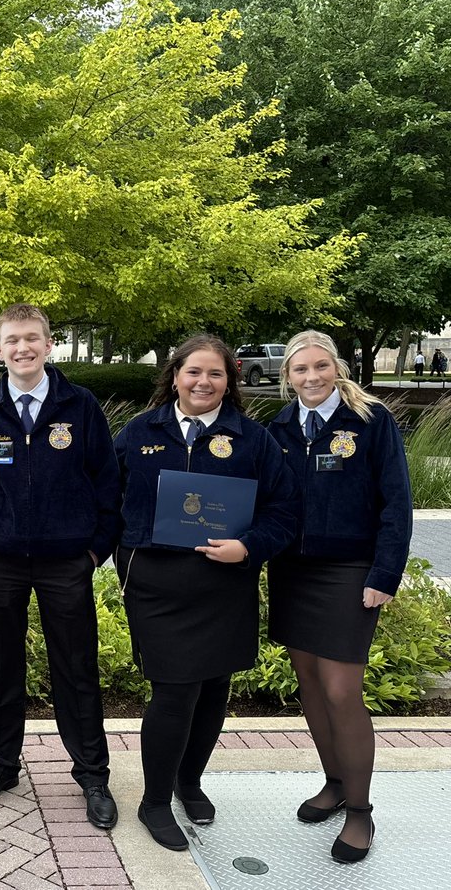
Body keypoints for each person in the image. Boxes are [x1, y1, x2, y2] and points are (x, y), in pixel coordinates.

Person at [111, 334, 299, 852]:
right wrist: (118, 554)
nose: (203, 382)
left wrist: (249, 547)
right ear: (174, 376)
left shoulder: (253, 440)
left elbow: (284, 511)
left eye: (215, 374)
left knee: (215, 686)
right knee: (175, 689)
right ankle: (153, 801)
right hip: (157, 583)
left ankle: (188, 781)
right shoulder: (138, 432)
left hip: (225, 581)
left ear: (230, 381)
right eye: (193, 372)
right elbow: (105, 498)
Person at [0, 303, 119, 830]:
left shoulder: (81, 405)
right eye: (11, 340)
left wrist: (95, 550)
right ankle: (1, 766)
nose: (22, 348)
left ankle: (92, 774)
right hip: (0, 560)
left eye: (32, 338)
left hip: (66, 560)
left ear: (50, 345)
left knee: (76, 668)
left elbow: (107, 483)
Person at [267, 330, 412, 864]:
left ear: (337, 368)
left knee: (341, 690)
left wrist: (384, 574)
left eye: (320, 367)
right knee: (308, 682)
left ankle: (360, 810)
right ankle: (333, 783)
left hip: (350, 573)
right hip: (292, 572)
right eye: (300, 369)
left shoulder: (370, 422)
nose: (311, 377)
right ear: (288, 375)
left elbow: (397, 502)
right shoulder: (278, 428)